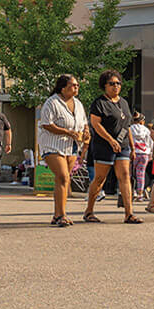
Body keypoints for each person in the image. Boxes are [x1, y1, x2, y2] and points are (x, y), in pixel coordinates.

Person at [83, 70, 141, 223]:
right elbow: (96, 124)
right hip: (104, 145)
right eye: (112, 84)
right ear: (105, 86)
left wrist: (132, 147)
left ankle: (129, 213)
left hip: (123, 145)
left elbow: (127, 125)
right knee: (100, 178)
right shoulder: (99, 103)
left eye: (118, 83)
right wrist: (110, 140)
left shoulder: (123, 103)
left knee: (125, 177)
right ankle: (89, 211)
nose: (116, 86)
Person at [36, 74, 87, 227]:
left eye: (77, 85)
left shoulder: (78, 104)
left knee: (63, 180)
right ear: (63, 88)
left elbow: (84, 122)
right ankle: (61, 214)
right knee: (63, 176)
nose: (76, 87)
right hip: (52, 145)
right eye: (73, 85)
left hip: (71, 146)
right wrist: (67, 132)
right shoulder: (52, 102)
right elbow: (46, 124)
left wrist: (86, 131)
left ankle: (57, 214)